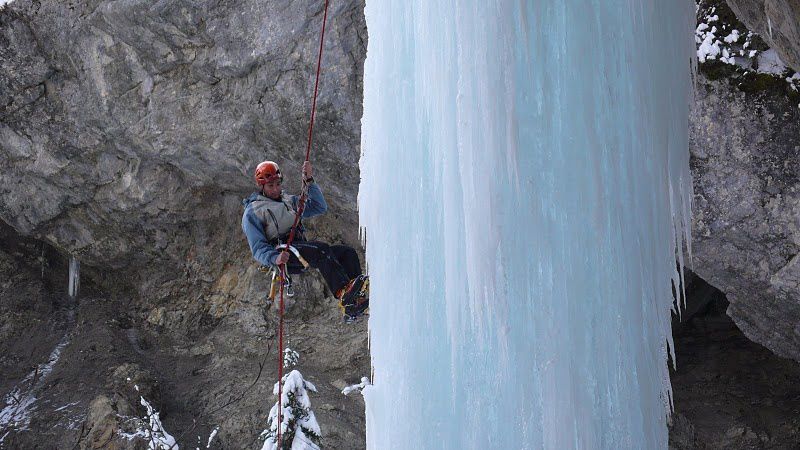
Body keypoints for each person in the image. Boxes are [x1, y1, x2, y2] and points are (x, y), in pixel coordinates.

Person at [242, 160, 368, 320]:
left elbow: (319, 207)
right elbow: (258, 247)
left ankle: (357, 297)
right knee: (321, 250)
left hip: (300, 248)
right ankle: (344, 293)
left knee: (346, 253)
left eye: (277, 184)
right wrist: (275, 258)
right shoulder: (253, 211)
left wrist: (309, 181)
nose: (275, 189)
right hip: (284, 254)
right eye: (270, 186)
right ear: (262, 187)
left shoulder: (289, 201)